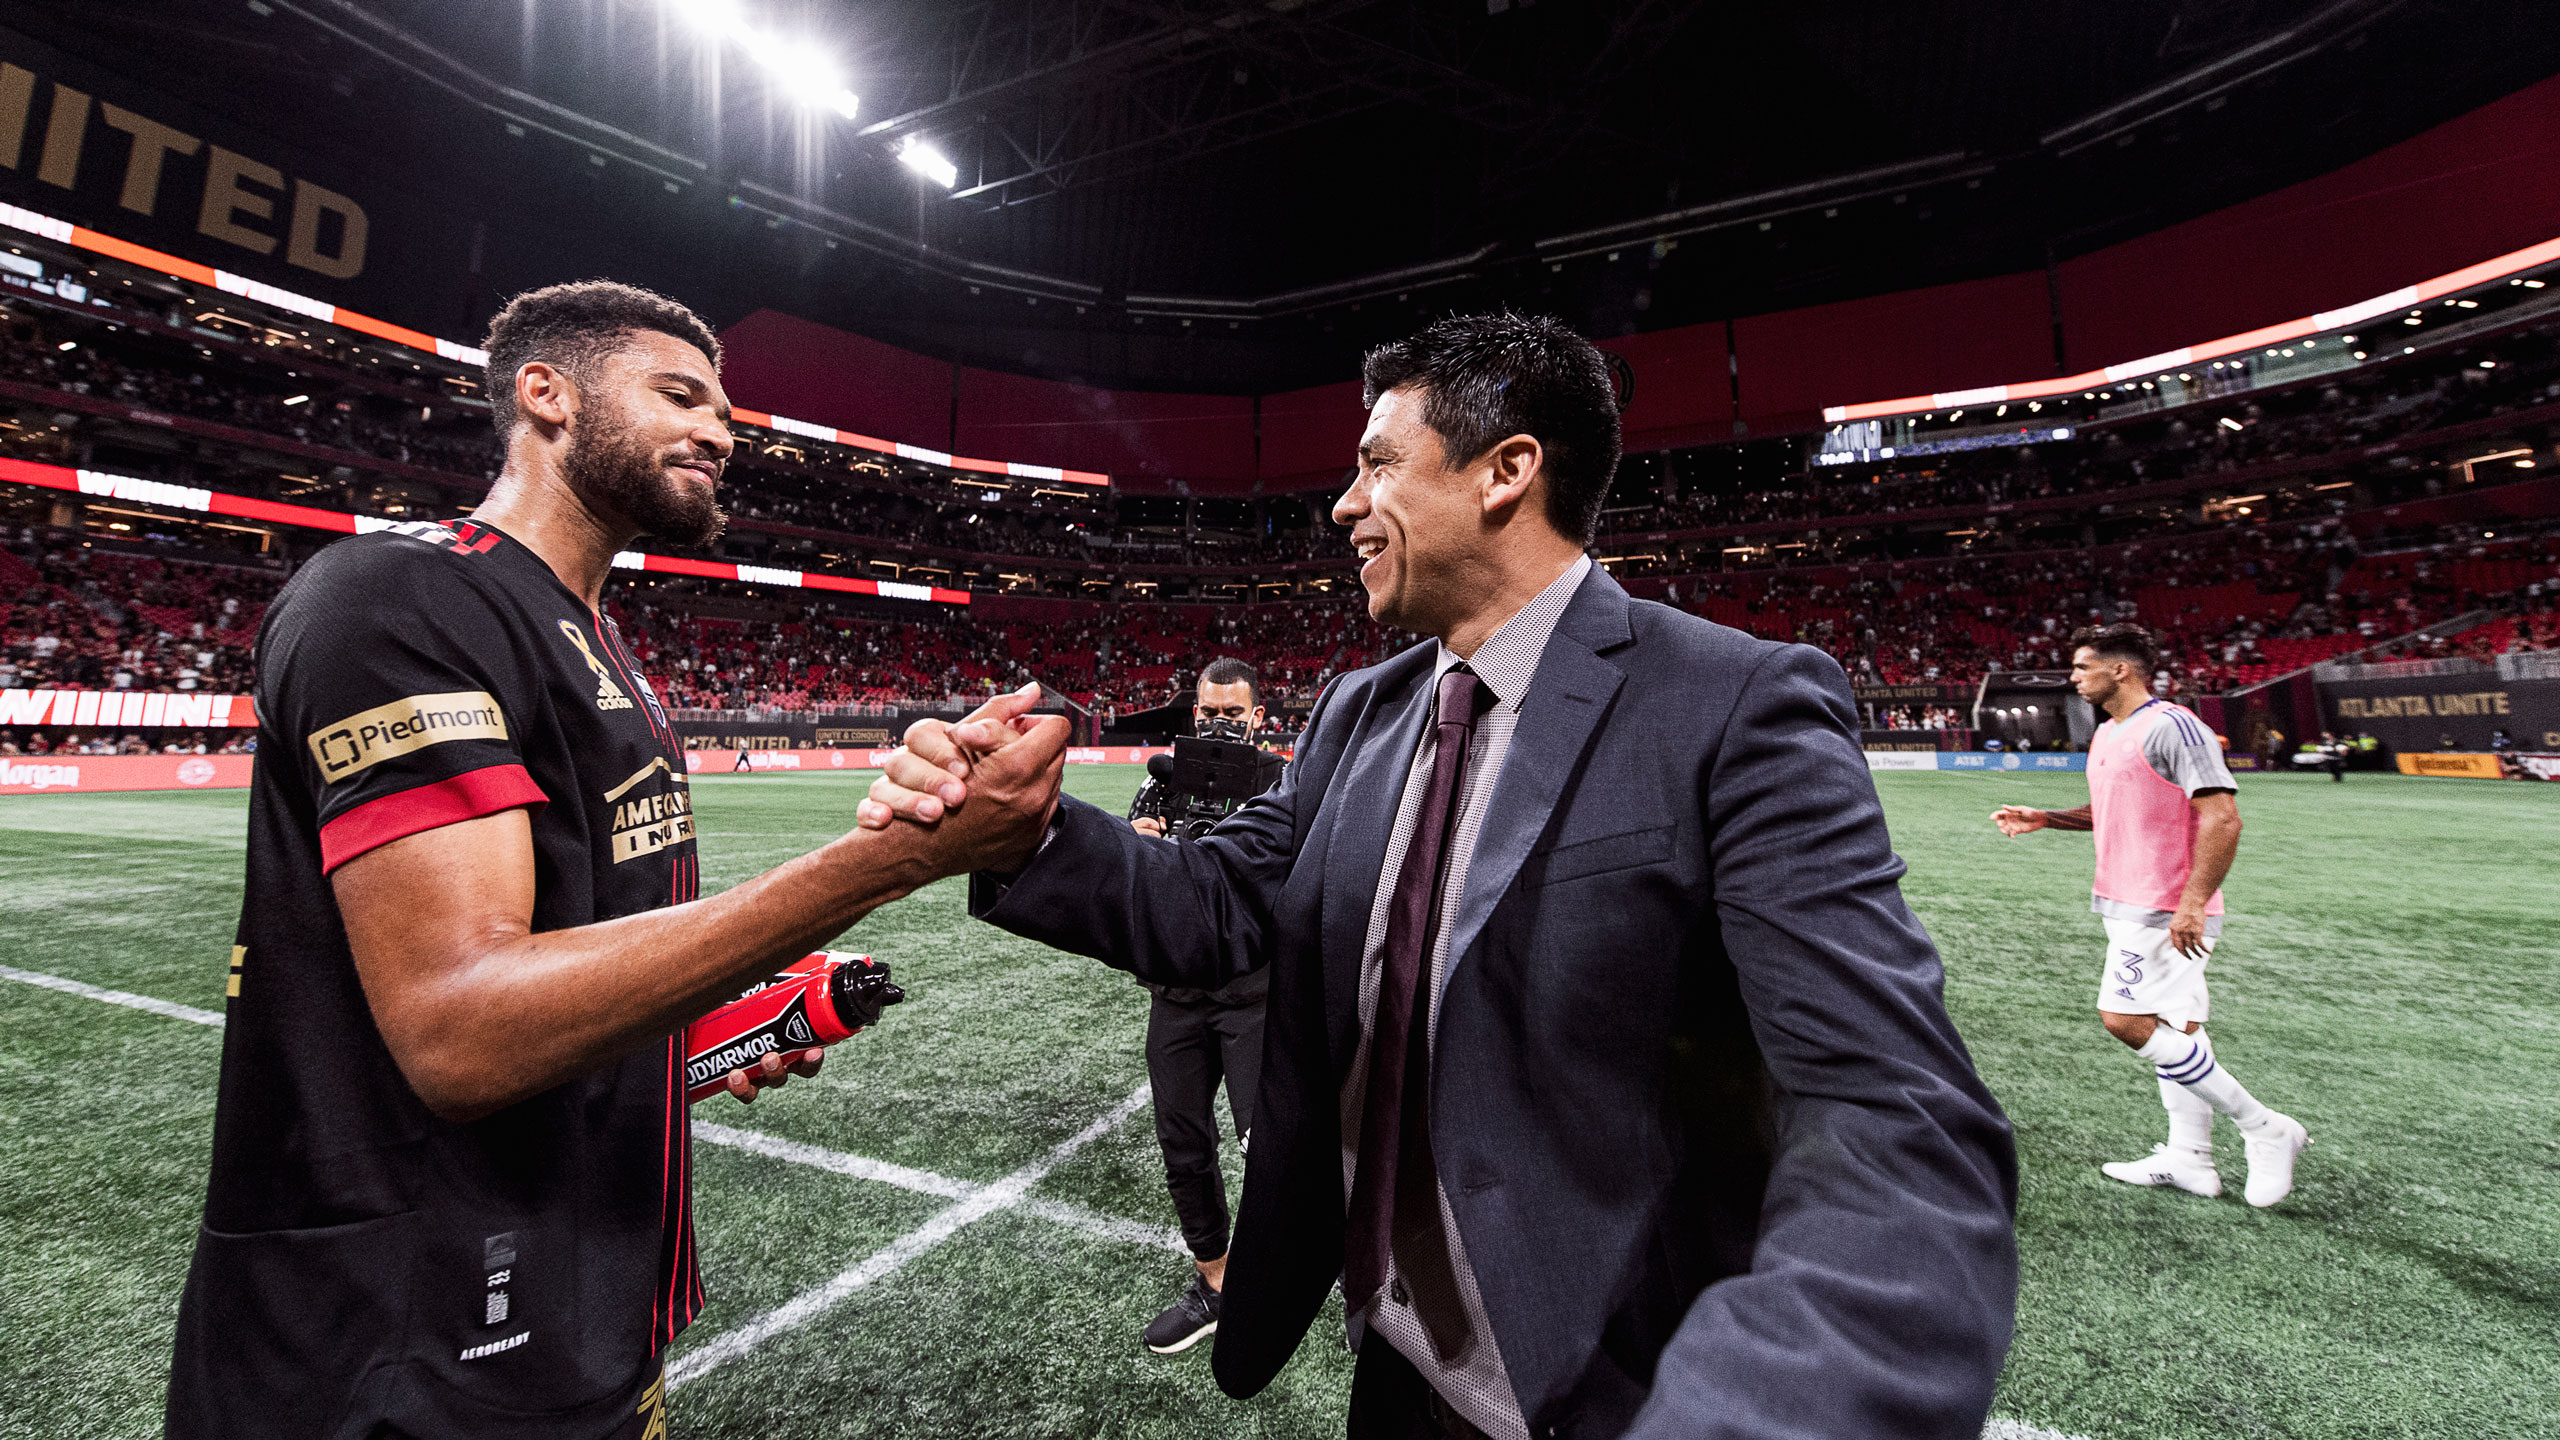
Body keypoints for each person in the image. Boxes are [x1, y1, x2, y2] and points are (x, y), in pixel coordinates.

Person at [863, 312, 2018, 1440]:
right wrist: (1022, 830)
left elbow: (1891, 1119)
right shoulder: (1360, 713)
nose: (1345, 504)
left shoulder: (1732, 704)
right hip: (1396, 1371)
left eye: (1375, 464)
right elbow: (1216, 905)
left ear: (1504, 472)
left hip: (1615, 1393)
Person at [165, 281, 1066, 1440]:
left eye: (729, 416)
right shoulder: (398, 597)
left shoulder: (596, 644)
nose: (720, 433)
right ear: (546, 395)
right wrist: (890, 861)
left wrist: (701, 1027)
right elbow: (463, 1028)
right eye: (681, 396)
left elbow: (563, 966)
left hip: (579, 1304)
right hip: (399, 1348)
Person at [1992, 623, 2309, 1208]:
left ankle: (2266, 1128)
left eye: (2083, 666)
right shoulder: (2111, 731)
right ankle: (2190, 1159)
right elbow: (2111, 809)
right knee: (2177, 1028)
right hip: (2128, 901)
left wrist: (2191, 903)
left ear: (2121, 670)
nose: (2074, 677)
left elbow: (2222, 817)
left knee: (2124, 1019)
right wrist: (2047, 817)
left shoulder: (2174, 725)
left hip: (2163, 908)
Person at [1128, 657, 1272, 1355]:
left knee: (1271, 1146)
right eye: (1208, 713)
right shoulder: (1159, 784)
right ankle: (1215, 1282)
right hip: (1178, 993)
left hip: (1254, 992)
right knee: (1183, 1145)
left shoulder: (1280, 781)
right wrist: (1142, 850)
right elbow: (1132, 873)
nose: (1219, 724)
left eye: (1231, 713)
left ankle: (1292, 1273)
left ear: (1257, 717)